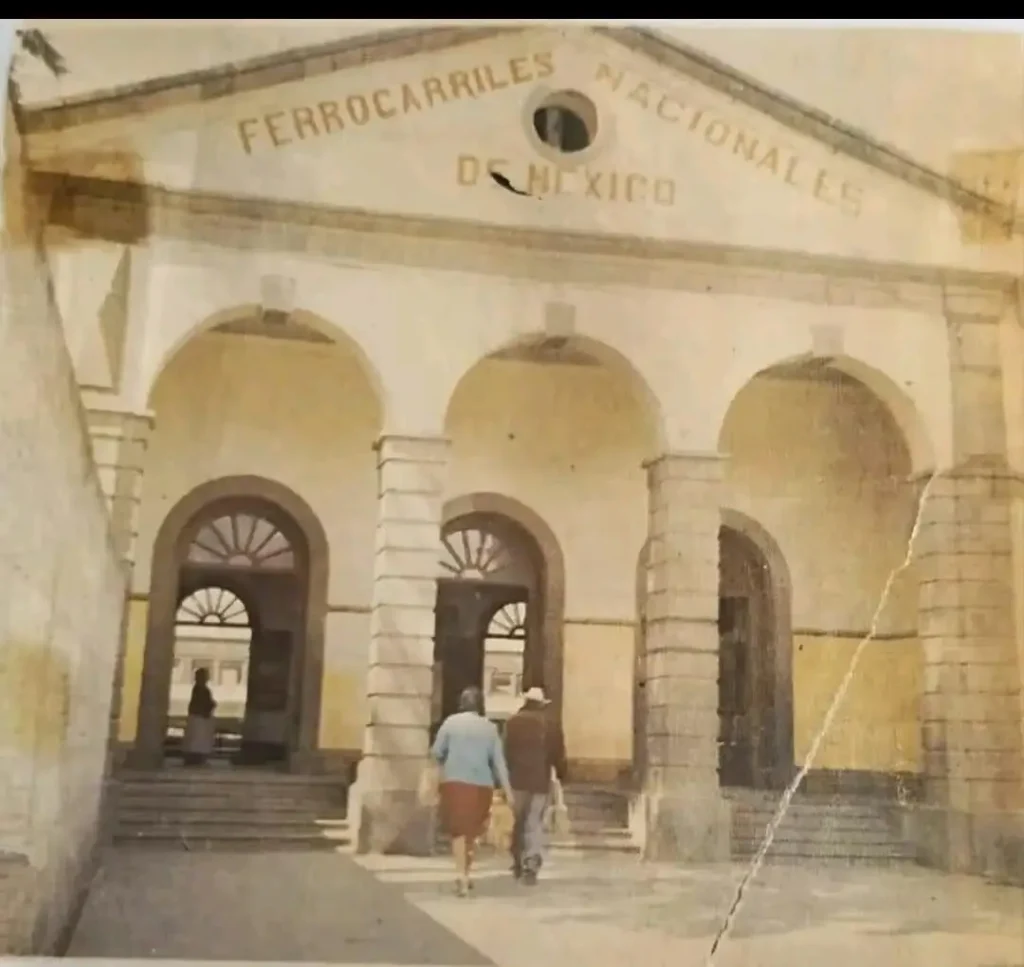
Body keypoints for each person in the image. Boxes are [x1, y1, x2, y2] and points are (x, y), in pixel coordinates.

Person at [431, 685, 514, 896]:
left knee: (458, 832)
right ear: (480, 705)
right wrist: (507, 790)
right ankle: (466, 872)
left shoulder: (450, 723)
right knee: (471, 832)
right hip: (481, 786)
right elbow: (498, 762)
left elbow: (436, 752)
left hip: (455, 782)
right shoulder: (489, 728)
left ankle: (461, 875)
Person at [503, 686, 568, 885]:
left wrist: (502, 779)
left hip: (517, 780)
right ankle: (531, 864)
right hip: (540, 781)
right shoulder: (550, 724)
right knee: (534, 823)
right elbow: (558, 755)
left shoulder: (512, 722)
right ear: (541, 704)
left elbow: (505, 752)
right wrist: (563, 774)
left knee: (517, 822)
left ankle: (517, 860)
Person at [181, 667, 217, 766]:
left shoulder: (201, 689)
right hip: (199, 718)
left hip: (199, 718)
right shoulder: (201, 689)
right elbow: (202, 703)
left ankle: (196, 758)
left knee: (197, 740)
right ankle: (196, 759)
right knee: (197, 740)